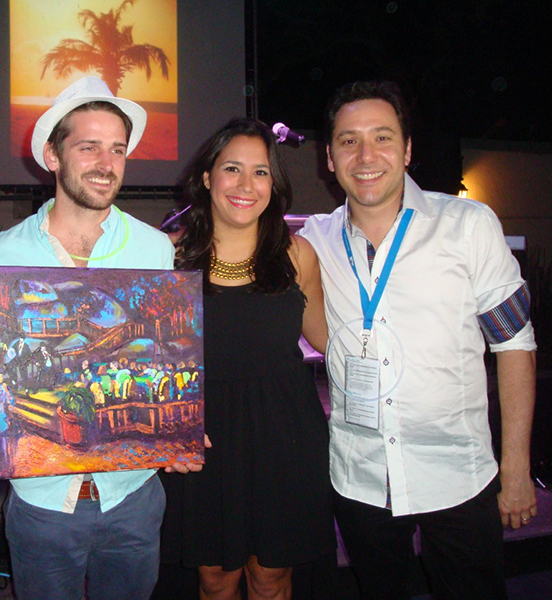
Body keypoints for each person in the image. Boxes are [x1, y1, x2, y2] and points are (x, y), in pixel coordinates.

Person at [299, 80, 537, 600]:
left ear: (407, 150)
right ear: (329, 157)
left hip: (458, 474)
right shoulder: (313, 240)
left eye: (383, 138)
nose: (366, 155)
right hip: (359, 478)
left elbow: (514, 345)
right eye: (348, 140)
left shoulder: (468, 225)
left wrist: (516, 469)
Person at [0, 76, 197, 599]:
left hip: (134, 497)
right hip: (42, 502)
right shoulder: (0, 254)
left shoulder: (154, 249)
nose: (106, 162)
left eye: (117, 149)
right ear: (52, 155)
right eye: (89, 146)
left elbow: (163, 358)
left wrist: (182, 424)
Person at [161, 118, 336, 600]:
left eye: (260, 172)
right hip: (204, 438)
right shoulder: (170, 258)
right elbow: (148, 360)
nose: (245, 185)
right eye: (232, 168)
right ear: (206, 177)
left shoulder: (298, 254)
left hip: (285, 435)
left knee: (272, 578)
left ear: (273, 183)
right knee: (215, 581)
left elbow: (325, 337)